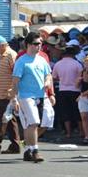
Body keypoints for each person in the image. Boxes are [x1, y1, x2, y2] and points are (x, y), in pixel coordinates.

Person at [11, 31, 54, 162]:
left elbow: (48, 74)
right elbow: (15, 81)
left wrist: (48, 83)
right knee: (33, 122)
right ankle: (35, 150)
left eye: (40, 43)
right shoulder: (21, 61)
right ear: (28, 45)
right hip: (26, 96)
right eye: (36, 43)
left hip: (41, 95)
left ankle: (27, 149)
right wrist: (14, 99)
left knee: (41, 122)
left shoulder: (42, 60)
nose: (39, 46)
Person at [52, 40, 83, 139]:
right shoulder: (77, 64)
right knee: (77, 112)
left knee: (65, 112)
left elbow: (54, 77)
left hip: (62, 90)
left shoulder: (58, 64)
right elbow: (81, 77)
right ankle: (81, 131)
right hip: (76, 90)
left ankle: (68, 133)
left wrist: (61, 79)